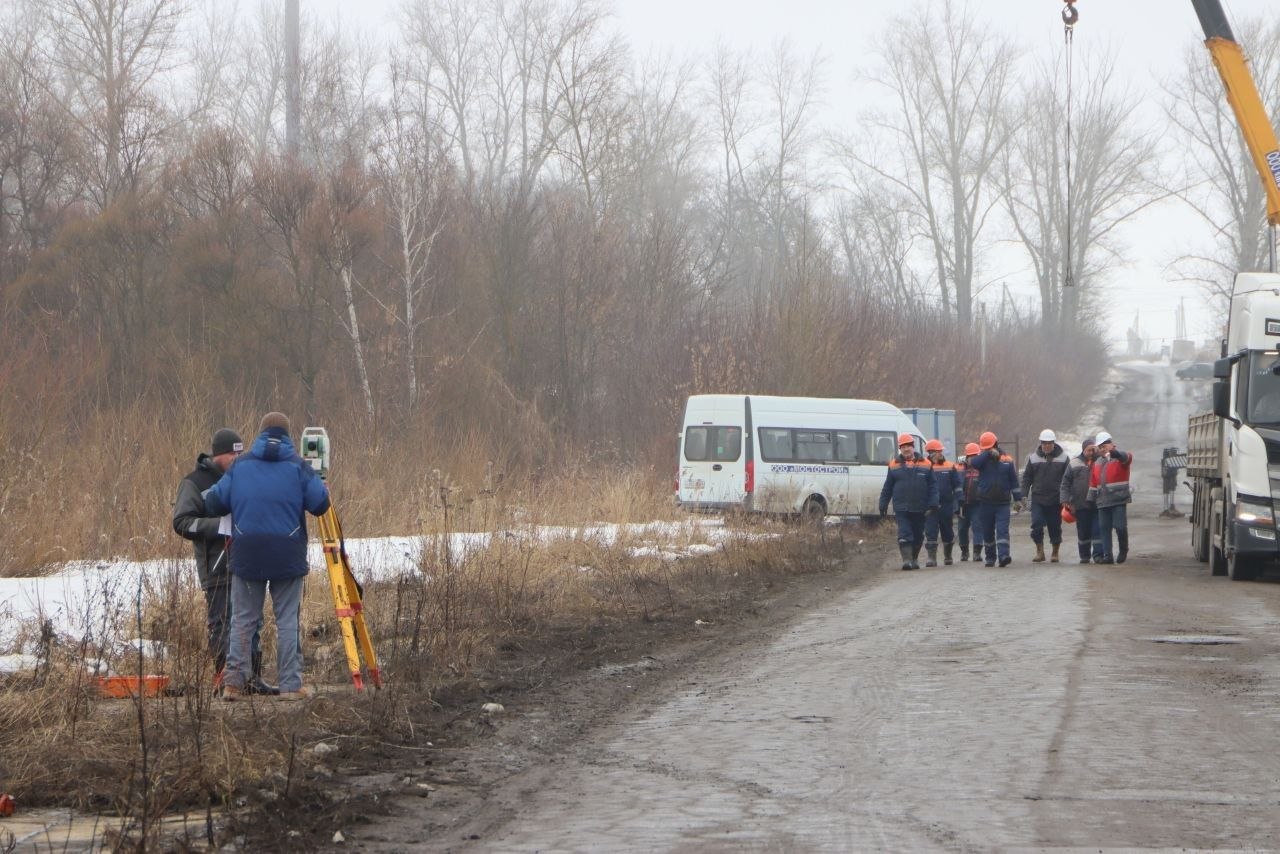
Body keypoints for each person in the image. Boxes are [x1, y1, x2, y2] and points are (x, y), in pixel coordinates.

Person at [202, 412, 330, 700]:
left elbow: (215, 503)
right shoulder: (298, 467)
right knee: (287, 620)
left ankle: (233, 684)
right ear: (288, 435)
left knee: (243, 620)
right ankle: (290, 686)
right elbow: (320, 504)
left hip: (247, 552)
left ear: (260, 433)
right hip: (287, 552)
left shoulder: (240, 466)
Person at [171, 429, 276, 695]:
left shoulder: (246, 477)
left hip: (248, 562)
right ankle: (223, 678)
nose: (237, 458)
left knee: (254, 621)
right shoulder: (194, 482)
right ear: (218, 454)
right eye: (232, 453)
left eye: (241, 453)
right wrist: (221, 526)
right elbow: (182, 522)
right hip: (216, 566)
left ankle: (252, 678)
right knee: (221, 622)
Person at [879, 433, 939, 570]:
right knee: (904, 533)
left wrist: (933, 503)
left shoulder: (926, 464)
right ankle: (906, 561)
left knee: (918, 535)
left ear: (913, 447)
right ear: (900, 449)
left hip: (920, 507)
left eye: (908, 446)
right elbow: (887, 487)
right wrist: (883, 504)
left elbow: (933, 486)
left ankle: (914, 558)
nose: (906, 449)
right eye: (903, 447)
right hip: (901, 507)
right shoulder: (893, 465)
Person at [970, 431, 1023, 567]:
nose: (987, 450)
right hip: (985, 502)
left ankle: (1004, 556)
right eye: (985, 448)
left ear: (995, 444)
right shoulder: (982, 460)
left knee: (1002, 530)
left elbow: (1014, 481)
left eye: (989, 447)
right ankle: (990, 557)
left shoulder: (1007, 460)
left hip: (1003, 503)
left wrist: (1018, 499)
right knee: (987, 531)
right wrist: (987, 453)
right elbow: (973, 463)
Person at [1021, 429, 1072, 563]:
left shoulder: (1064, 458)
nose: (1046, 446)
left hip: (1056, 499)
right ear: (1041, 443)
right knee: (1036, 524)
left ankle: (1055, 552)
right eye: (1044, 443)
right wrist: (1023, 496)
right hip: (1038, 499)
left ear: (1053, 443)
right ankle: (1040, 551)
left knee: (1054, 526)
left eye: (1049, 443)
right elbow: (1026, 478)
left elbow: (1069, 479)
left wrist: (1068, 497)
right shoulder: (1033, 458)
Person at [1090, 430, 1134, 564]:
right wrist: (1090, 498)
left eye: (1104, 446)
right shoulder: (1097, 462)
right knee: (1104, 528)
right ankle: (1108, 555)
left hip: (1118, 499)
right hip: (1103, 501)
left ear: (1111, 444)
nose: (1102, 449)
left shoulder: (1120, 458)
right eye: (1100, 447)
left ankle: (1123, 549)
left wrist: (1114, 453)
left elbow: (1128, 457)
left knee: (1120, 526)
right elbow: (1093, 482)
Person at [1060, 437, 1103, 564]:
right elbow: (1065, 483)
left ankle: (1098, 555)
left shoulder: (1101, 461)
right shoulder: (1074, 463)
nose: (1091, 452)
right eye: (1088, 450)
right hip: (1080, 504)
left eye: (1093, 450)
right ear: (1083, 450)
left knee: (1097, 530)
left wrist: (1098, 456)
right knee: (1083, 531)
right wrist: (1065, 499)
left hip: (1098, 503)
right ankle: (1084, 556)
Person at [923, 439, 961, 566]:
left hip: (946, 505)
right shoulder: (924, 466)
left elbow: (957, 485)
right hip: (930, 506)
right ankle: (931, 558)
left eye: (941, 451)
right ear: (931, 452)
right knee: (930, 531)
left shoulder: (950, 466)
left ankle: (948, 555)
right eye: (938, 451)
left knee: (947, 531)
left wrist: (959, 501)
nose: (941, 453)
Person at [956, 442, 986, 562]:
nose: (972, 459)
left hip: (978, 504)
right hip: (963, 504)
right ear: (966, 457)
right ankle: (964, 551)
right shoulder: (959, 469)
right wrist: (958, 501)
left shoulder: (983, 469)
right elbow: (956, 485)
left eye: (975, 456)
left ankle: (977, 552)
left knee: (977, 527)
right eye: (970, 456)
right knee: (962, 529)